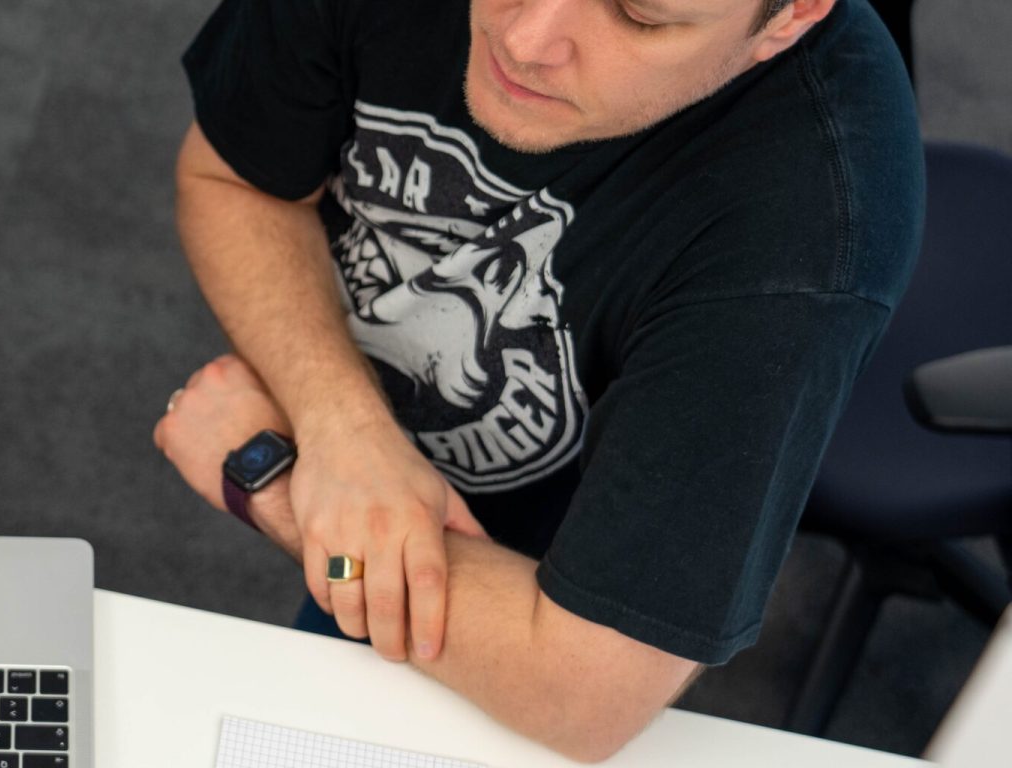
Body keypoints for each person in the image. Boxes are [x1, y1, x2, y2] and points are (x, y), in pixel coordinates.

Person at [155, 0, 921, 759]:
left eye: (640, 17)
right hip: (376, 474)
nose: (522, 41)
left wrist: (274, 480)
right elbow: (233, 181)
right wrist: (343, 431)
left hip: (535, 560)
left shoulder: (804, 227)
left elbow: (583, 691)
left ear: (788, 17)